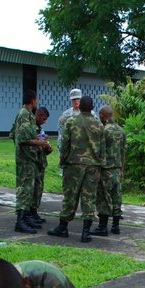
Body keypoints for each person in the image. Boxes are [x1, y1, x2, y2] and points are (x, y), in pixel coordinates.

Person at [49, 95, 104, 242]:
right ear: (92, 108)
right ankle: (86, 232)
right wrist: (100, 167)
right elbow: (102, 149)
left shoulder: (71, 122)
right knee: (89, 198)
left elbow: (65, 144)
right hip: (92, 166)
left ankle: (63, 227)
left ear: (80, 107)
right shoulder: (99, 125)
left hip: (73, 164)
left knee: (70, 196)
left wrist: (63, 162)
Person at [10, 91, 51, 234]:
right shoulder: (25, 114)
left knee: (31, 188)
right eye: (36, 100)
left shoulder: (26, 115)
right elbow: (21, 138)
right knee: (25, 189)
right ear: (33, 101)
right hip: (25, 159)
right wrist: (40, 142)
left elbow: (13, 134)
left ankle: (27, 217)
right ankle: (20, 221)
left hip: (30, 158)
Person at [95, 105, 127, 236]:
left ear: (102, 116)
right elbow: (123, 152)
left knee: (103, 198)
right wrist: (121, 169)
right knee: (116, 197)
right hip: (117, 170)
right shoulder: (121, 131)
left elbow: (99, 152)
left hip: (105, 170)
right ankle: (115, 226)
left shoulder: (103, 131)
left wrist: (97, 170)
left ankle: (103, 227)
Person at [29, 106, 53, 224]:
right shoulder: (31, 128)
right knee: (33, 188)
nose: (44, 121)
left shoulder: (39, 128)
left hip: (41, 162)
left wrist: (47, 146)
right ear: (37, 115)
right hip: (33, 162)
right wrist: (37, 141)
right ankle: (29, 213)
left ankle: (34, 211)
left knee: (39, 188)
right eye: (43, 119)